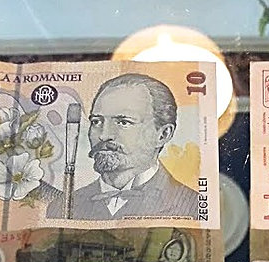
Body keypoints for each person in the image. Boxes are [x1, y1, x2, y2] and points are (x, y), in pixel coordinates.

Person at [45, 73, 199, 220]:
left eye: (123, 122)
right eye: (97, 122)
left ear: (162, 135)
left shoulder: (192, 206)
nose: (104, 135)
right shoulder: (59, 208)